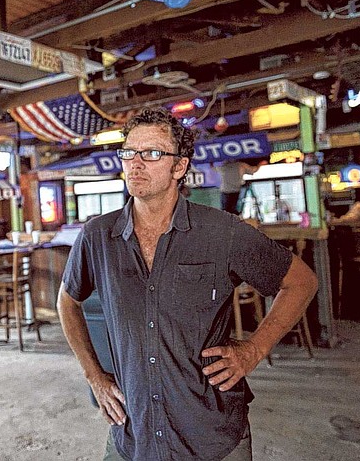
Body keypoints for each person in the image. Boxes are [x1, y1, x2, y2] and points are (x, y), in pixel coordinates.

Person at [57, 108, 318, 461]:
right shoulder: (97, 236)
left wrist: (253, 350)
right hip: (133, 433)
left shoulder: (222, 232)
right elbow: (67, 302)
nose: (135, 163)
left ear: (179, 167)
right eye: (129, 152)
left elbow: (301, 282)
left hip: (211, 434)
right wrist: (95, 377)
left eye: (151, 154)